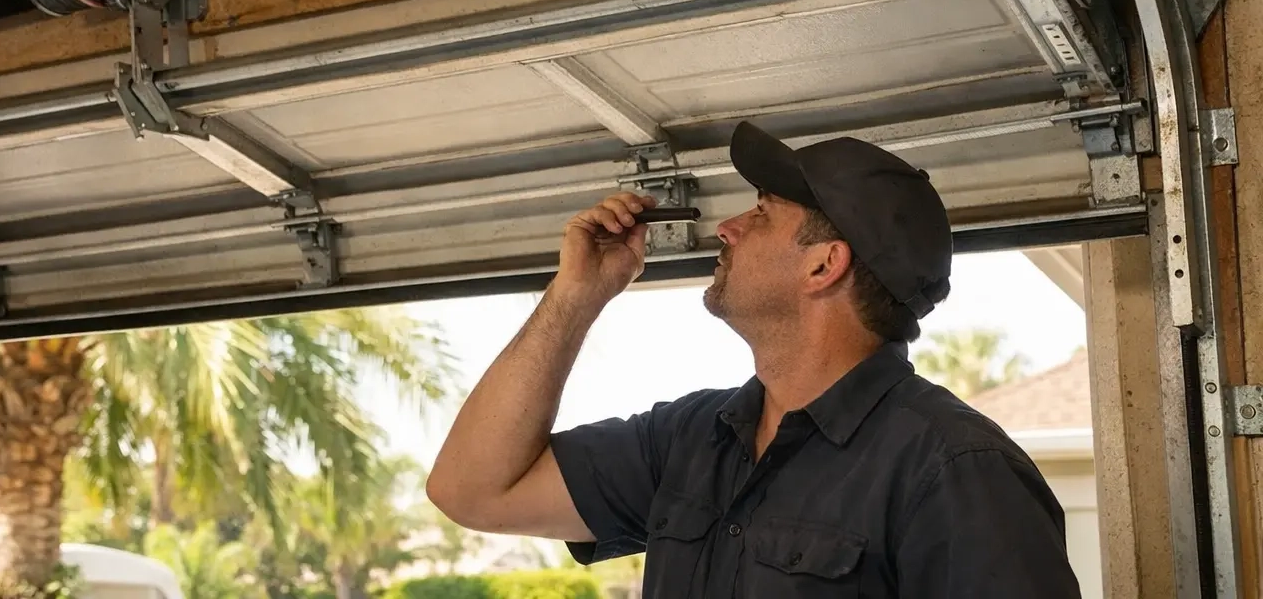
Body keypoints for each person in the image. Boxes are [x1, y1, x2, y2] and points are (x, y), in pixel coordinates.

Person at [427, 120, 1079, 596]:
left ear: (825, 264)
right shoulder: (690, 441)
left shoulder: (956, 472)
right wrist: (577, 293)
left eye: (761, 213)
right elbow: (473, 491)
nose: (727, 228)